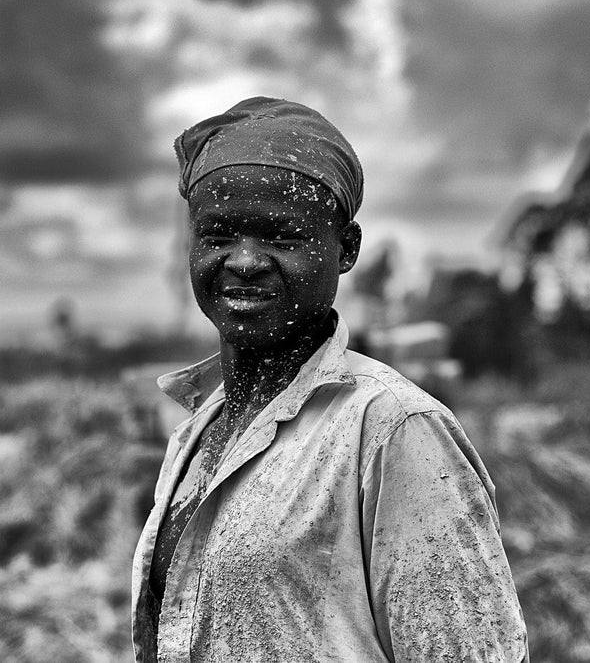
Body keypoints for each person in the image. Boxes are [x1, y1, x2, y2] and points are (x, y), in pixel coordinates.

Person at [130, 97, 527, 662]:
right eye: (218, 235)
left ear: (346, 250)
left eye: (282, 238)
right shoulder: (198, 433)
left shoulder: (392, 429)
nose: (243, 261)